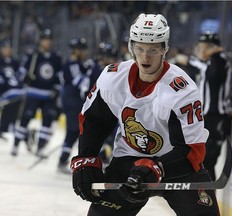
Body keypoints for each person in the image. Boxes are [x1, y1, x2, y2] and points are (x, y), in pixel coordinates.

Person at [70, 13, 220, 216]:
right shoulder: (112, 78)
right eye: (139, 48)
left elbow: (192, 151)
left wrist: (157, 168)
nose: (145, 57)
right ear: (131, 47)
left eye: (153, 49)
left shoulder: (181, 89)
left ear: (164, 49)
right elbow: (93, 121)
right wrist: (86, 159)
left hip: (176, 166)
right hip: (129, 160)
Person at [11, 28, 62, 157]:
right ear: (40, 41)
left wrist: (56, 88)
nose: (47, 43)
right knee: (25, 119)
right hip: (33, 93)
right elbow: (22, 72)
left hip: (48, 95)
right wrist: (24, 78)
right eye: (45, 40)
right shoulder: (33, 55)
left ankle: (40, 148)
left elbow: (59, 76)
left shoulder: (56, 57)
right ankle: (16, 145)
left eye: (49, 40)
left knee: (47, 122)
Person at [189, 31, 232, 181]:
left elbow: (214, 75)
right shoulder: (209, 62)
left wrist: (215, 52)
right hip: (206, 117)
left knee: (208, 161)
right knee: (202, 161)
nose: (201, 50)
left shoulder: (219, 60)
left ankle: (208, 197)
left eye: (204, 47)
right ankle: (204, 196)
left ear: (213, 48)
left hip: (216, 117)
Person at [57, 37, 101, 173]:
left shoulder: (80, 64)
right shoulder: (72, 65)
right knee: (74, 131)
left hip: (76, 103)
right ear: (76, 51)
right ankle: (62, 161)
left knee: (74, 132)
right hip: (72, 103)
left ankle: (62, 160)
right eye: (82, 49)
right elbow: (81, 84)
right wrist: (90, 70)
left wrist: (89, 67)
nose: (85, 52)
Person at [0, 39, 24, 138]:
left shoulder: (15, 62)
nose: (7, 50)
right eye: (5, 48)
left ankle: (8, 125)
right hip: (2, 89)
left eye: (8, 48)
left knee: (15, 102)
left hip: (12, 91)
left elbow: (19, 76)